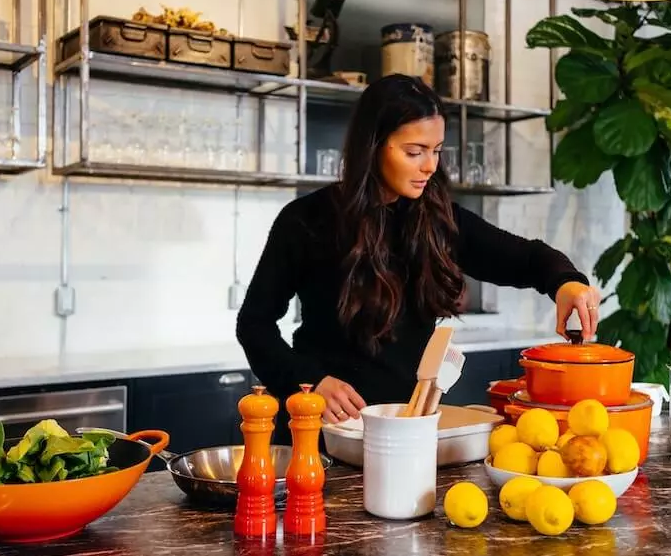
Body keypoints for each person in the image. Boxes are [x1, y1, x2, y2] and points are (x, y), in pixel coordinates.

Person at [236, 73, 600, 433]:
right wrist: (310, 382)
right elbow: (254, 325)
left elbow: (526, 258)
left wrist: (565, 282)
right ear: (374, 145)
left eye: (436, 151)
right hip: (321, 431)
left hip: (405, 432)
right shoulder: (306, 221)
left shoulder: (438, 219)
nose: (430, 166)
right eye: (415, 152)